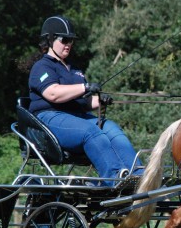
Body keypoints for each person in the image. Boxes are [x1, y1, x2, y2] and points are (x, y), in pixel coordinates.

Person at [27, 15, 141, 186]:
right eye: (64, 39)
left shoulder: (74, 69)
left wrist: (99, 101)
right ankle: (115, 177)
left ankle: (139, 174)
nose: (68, 44)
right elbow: (53, 94)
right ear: (49, 40)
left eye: (71, 40)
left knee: (111, 127)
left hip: (75, 116)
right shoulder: (42, 67)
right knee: (91, 131)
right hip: (49, 119)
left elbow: (84, 102)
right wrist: (85, 88)